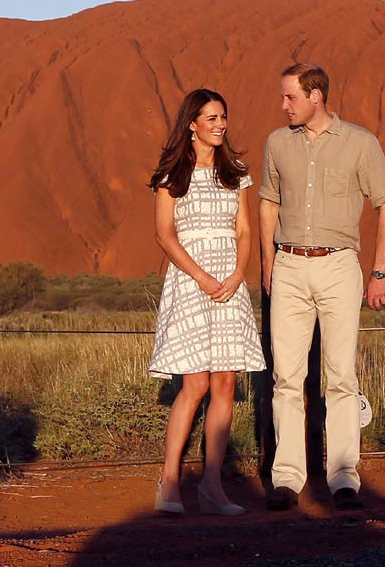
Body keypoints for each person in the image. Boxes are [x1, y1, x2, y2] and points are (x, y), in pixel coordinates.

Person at [258, 63, 385, 511]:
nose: (283, 106)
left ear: (315, 95)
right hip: (290, 264)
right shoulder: (278, 143)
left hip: (340, 266)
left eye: (290, 97)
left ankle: (342, 478)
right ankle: (287, 478)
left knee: (341, 376)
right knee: (286, 377)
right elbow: (268, 203)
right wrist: (268, 265)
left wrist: (379, 271)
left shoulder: (361, 143)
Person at [147, 88, 265, 516]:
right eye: (211, 118)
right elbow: (164, 234)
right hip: (190, 281)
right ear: (192, 124)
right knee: (194, 384)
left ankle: (212, 487)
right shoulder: (172, 174)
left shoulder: (237, 173)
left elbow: (245, 231)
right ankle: (170, 482)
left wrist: (236, 276)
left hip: (229, 285)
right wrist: (201, 276)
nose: (220, 125)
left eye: (223, 117)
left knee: (226, 384)